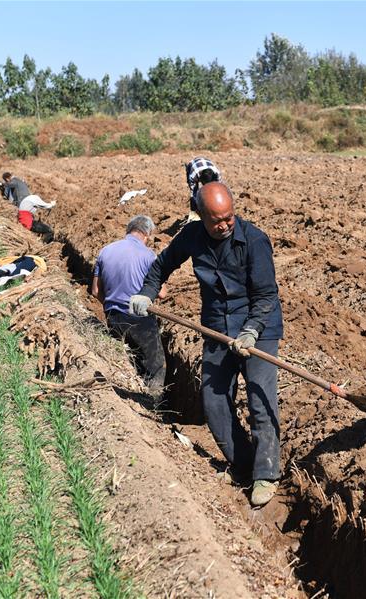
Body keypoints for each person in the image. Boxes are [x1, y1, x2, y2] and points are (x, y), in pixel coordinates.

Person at [130, 182, 283, 507]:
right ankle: (241, 465)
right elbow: (161, 266)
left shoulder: (253, 240)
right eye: (217, 220)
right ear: (201, 215)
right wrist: (147, 291)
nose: (225, 224)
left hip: (259, 329)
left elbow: (267, 295)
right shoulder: (192, 236)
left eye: (229, 217)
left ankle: (266, 474)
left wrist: (252, 331)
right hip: (216, 328)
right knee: (214, 401)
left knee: (259, 399)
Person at [92, 215, 167, 400]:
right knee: (155, 365)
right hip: (140, 319)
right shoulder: (148, 255)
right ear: (146, 234)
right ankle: (152, 406)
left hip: (113, 316)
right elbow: (162, 293)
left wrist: (111, 306)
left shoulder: (105, 251)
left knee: (127, 360)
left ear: (129, 230)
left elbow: (95, 291)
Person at [0, 172, 56, 238]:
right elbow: (46, 206)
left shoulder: (14, 181)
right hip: (25, 212)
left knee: (26, 220)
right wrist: (52, 204)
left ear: (7, 179)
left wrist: (2, 184)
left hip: (22, 204)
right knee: (46, 229)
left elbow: (9, 185)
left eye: (6, 180)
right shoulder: (19, 181)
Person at [185, 156, 222, 222]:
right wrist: (198, 206)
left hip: (205, 163)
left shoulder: (217, 174)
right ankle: (194, 213)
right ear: (201, 179)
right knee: (194, 194)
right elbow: (193, 193)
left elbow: (219, 190)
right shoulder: (194, 175)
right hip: (193, 165)